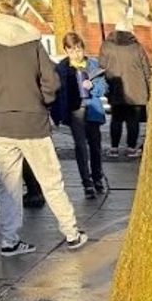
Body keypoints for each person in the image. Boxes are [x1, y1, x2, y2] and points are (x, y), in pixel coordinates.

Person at [0, 0, 87, 255]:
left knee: (8, 185)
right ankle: (71, 233)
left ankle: (9, 240)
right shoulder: (32, 44)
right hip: (33, 121)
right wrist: (43, 101)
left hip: (1, 123)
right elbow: (52, 82)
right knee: (51, 181)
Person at [52, 32, 107, 198]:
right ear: (66, 51)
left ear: (83, 48)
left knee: (95, 147)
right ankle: (87, 183)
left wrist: (93, 87)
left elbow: (103, 88)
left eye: (79, 49)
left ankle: (97, 178)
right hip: (75, 111)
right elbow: (57, 93)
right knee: (81, 147)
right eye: (72, 51)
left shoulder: (93, 64)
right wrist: (57, 115)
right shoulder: (62, 68)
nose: (76, 54)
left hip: (92, 109)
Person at [99, 18, 152, 158]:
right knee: (132, 120)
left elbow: (101, 66)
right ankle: (131, 147)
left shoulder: (107, 46)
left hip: (116, 88)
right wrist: (149, 86)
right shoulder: (136, 47)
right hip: (136, 89)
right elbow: (146, 69)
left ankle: (114, 148)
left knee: (116, 119)